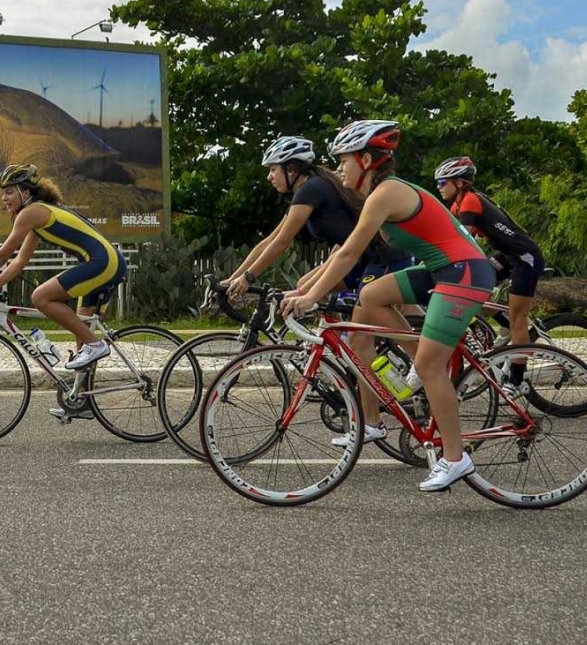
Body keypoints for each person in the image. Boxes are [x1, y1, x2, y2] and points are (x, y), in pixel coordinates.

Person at [281, 120, 495, 493]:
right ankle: (414, 370)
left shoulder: (385, 193)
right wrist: (307, 288)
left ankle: (456, 458)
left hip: (464, 274)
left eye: (343, 160)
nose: (338, 169)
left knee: (430, 366)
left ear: (366, 159)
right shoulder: (375, 196)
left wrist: (311, 297)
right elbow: (341, 253)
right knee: (370, 296)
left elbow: (350, 252)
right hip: (443, 269)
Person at [0, 163, 126, 421]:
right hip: (108, 261)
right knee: (81, 333)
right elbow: (18, 262)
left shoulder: (31, 212)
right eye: (3, 192)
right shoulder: (39, 216)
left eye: (9, 191)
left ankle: (96, 344)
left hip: (102, 263)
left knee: (40, 297)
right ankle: (83, 400)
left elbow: (1, 255)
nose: (4, 198)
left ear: (25, 191)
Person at [226, 136, 409, 299]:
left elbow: (281, 242)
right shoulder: (311, 187)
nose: (269, 177)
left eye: (273, 169)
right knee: (304, 285)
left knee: (364, 322)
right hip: (361, 258)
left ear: (290, 170)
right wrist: (235, 278)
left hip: (383, 257)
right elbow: (271, 239)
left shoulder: (310, 190)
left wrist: (248, 277)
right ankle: (331, 334)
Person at [435, 156, 544, 392]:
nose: (439, 187)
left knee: (519, 319)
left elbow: (463, 242)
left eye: (442, 182)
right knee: (478, 289)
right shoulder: (458, 204)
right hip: (508, 255)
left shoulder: (471, 201)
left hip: (525, 257)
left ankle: (517, 380)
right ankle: (508, 331)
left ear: (460, 183)